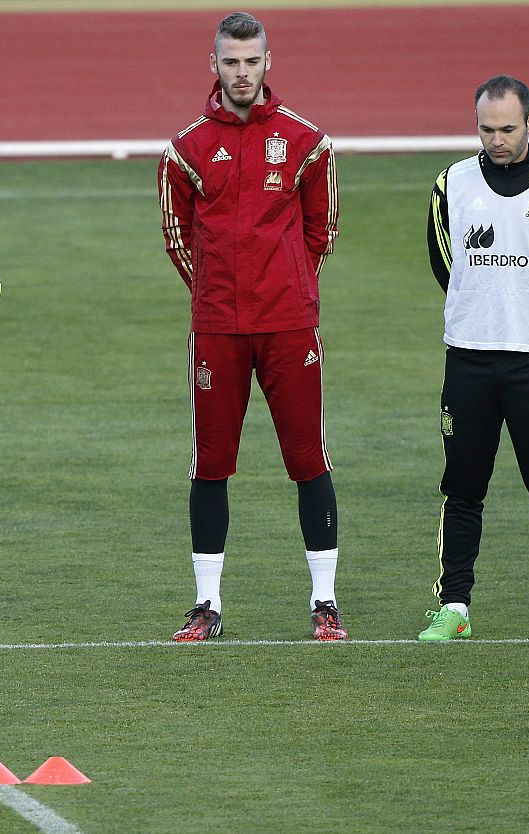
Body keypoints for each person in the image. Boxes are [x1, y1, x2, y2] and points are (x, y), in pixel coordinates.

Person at [157, 12, 343, 641]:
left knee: (308, 457)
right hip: (217, 330)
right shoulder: (185, 149)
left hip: (289, 327)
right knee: (210, 464)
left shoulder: (306, 141)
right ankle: (207, 606)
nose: (242, 72)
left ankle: (325, 603)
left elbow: (322, 231)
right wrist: (216, 291)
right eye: (231, 62)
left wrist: (290, 286)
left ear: (269, 62)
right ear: (214, 65)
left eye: (252, 60)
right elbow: (177, 236)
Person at [418, 76, 529, 644]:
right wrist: (484, 313)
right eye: (486, 128)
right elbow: (444, 261)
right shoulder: (452, 184)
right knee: (463, 488)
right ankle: (454, 605)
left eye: (507, 128)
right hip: (469, 360)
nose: (496, 140)